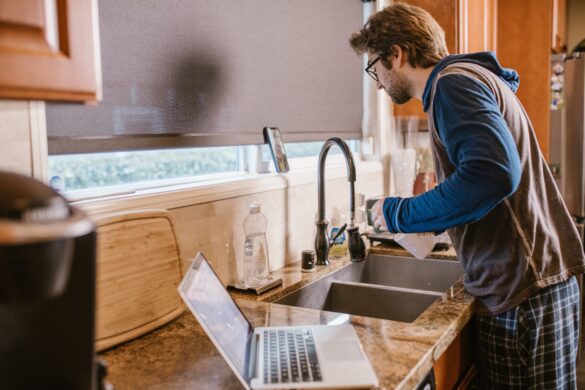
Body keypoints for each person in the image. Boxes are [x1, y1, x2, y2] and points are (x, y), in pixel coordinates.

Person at [350, 3, 585, 388]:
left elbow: (492, 173)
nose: (375, 81)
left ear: (397, 54)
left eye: (373, 67)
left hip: (523, 292)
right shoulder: (467, 78)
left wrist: (397, 214)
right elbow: (484, 176)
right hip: (534, 284)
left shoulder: (451, 86)